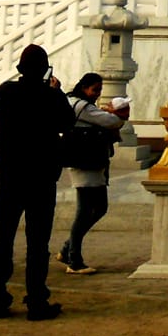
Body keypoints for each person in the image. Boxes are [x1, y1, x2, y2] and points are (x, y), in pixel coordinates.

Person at [0, 43, 75, 321]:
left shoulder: (5, 93)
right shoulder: (51, 97)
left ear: (21, 69)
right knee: (37, 242)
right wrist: (55, 90)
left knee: (2, 239)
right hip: (41, 178)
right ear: (45, 69)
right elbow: (67, 122)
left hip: (11, 176)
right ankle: (36, 300)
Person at [57, 73, 127, 275]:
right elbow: (112, 122)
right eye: (94, 89)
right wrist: (119, 113)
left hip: (91, 163)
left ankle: (67, 249)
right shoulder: (81, 107)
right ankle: (74, 260)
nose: (97, 94)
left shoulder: (76, 104)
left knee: (98, 208)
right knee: (85, 212)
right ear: (84, 88)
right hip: (85, 163)